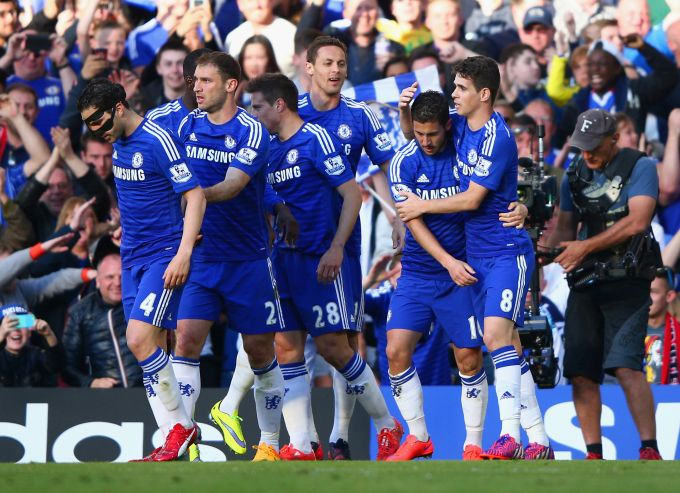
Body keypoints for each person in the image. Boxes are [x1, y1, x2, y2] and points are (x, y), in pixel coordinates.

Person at [396, 56, 548, 460]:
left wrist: (420, 206)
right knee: (508, 343)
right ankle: (540, 440)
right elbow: (424, 132)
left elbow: (472, 198)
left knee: (496, 337)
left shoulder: (496, 137)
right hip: (476, 255)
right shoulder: (460, 121)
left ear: (483, 94)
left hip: (505, 252)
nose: (453, 95)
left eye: (460, 88)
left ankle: (509, 434)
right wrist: (402, 110)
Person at [246, 72, 402, 461]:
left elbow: (351, 194)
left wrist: (336, 248)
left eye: (258, 106)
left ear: (279, 105)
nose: (253, 114)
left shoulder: (316, 140)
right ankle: (301, 445)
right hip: (283, 260)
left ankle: (386, 425)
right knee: (286, 346)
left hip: (322, 261)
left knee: (335, 346)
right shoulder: (267, 148)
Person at [76, 77, 206, 462]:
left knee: (137, 338)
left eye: (98, 120)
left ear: (119, 107)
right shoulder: (118, 144)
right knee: (150, 346)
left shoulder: (157, 139)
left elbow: (194, 194)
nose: (95, 130)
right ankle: (171, 436)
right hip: (132, 256)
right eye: (88, 125)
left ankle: (182, 427)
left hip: (163, 255)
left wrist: (183, 252)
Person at [174, 52, 285, 463]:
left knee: (259, 351)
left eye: (205, 80)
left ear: (231, 85)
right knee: (185, 342)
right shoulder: (187, 125)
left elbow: (235, 184)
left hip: (248, 260)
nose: (196, 86)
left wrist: (194, 199)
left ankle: (270, 444)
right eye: (195, 80)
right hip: (201, 258)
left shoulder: (252, 131)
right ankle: (185, 446)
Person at [297, 35, 402, 459]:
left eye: (341, 63)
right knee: (290, 341)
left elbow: (386, 166)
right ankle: (300, 441)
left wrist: (398, 215)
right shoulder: (289, 112)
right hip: (291, 243)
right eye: (327, 63)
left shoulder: (359, 115)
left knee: (343, 339)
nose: (336, 70)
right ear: (310, 68)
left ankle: (340, 437)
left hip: (341, 243)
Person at [543, 108, 662, 460]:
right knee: (580, 370)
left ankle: (649, 449)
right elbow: (566, 228)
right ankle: (593, 454)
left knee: (627, 366)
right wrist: (546, 250)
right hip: (586, 281)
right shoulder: (574, 173)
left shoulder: (640, 166)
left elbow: (638, 221)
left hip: (629, 278)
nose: (587, 154)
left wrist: (584, 246)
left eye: (594, 146)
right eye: (581, 146)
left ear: (614, 139)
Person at [62, 238, 141, 389]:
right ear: (97, 281)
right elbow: (66, 366)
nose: (117, 283)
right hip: (106, 401)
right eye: (110, 277)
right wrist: (90, 383)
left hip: (149, 394)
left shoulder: (143, 305)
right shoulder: (80, 313)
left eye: (122, 276)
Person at [145, 48, 212, 134]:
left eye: (210, 81)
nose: (175, 70)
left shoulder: (230, 116)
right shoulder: (158, 119)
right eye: (203, 80)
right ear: (187, 79)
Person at [0, 307, 64, 387]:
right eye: (10, 325)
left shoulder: (36, 355)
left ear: (29, 332)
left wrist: (48, 334)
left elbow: (56, 365)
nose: (16, 330)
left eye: (21, 323)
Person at [645, 267, 679, 385]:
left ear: (669, 296)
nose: (647, 298)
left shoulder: (678, 334)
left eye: (653, 292)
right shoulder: (624, 332)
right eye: (645, 291)